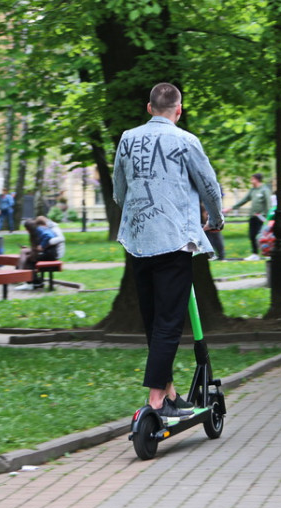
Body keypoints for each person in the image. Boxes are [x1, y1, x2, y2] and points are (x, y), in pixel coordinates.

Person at [113, 82, 224, 420]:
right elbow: (208, 186)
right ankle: (158, 400)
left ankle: (172, 394)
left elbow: (119, 186)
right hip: (173, 240)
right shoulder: (186, 140)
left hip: (137, 240)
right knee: (169, 321)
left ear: (149, 108)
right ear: (179, 110)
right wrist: (216, 219)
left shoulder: (127, 138)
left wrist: (131, 208)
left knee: (152, 319)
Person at [224, 173, 271, 261]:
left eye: (252, 179)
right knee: (252, 235)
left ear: (257, 179)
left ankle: (268, 253)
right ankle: (255, 254)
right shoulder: (253, 190)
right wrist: (231, 208)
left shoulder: (264, 190)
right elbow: (244, 200)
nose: (251, 181)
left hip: (262, 217)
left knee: (264, 236)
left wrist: (269, 217)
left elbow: (269, 204)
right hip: (253, 216)